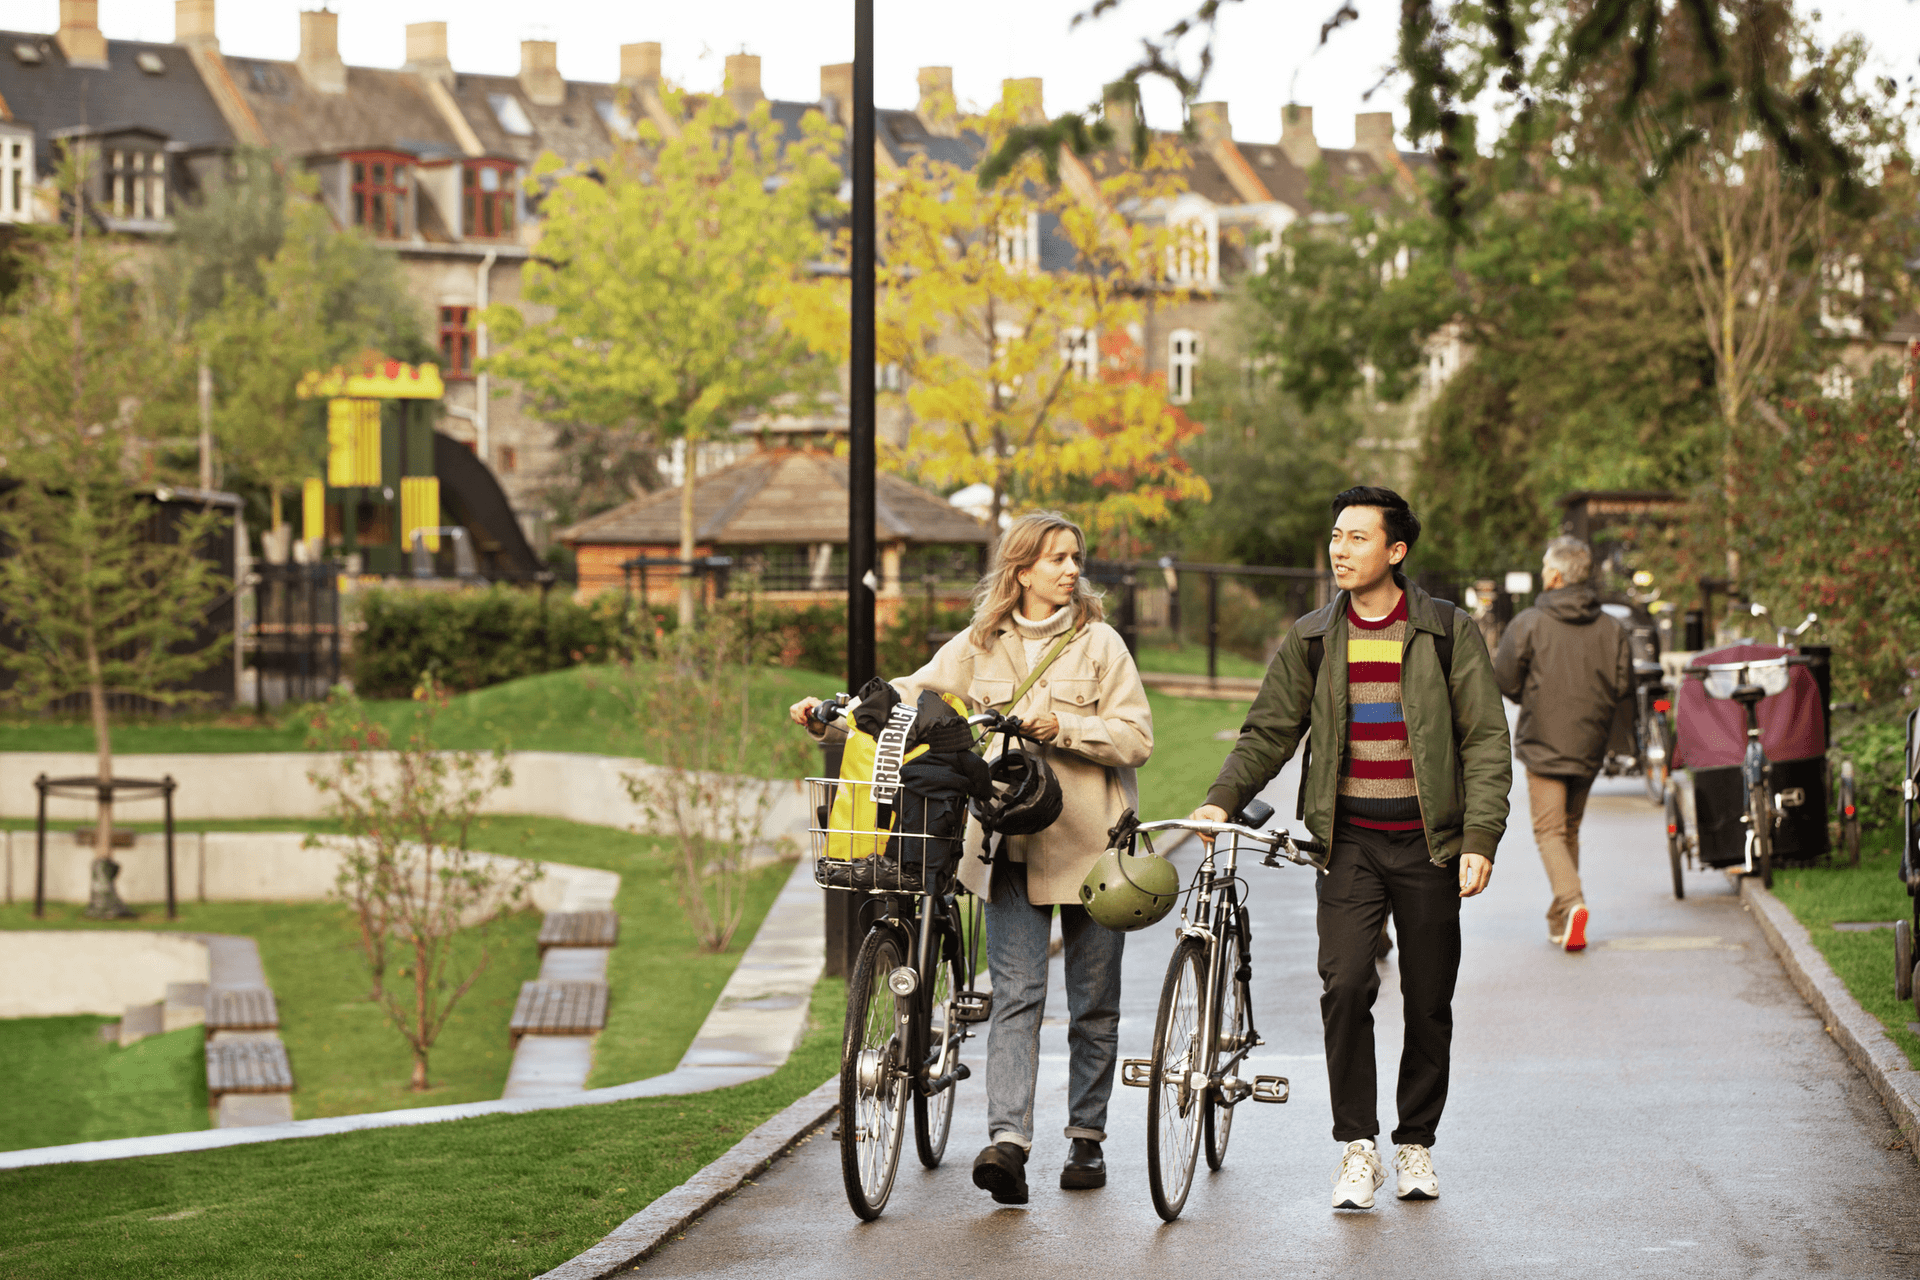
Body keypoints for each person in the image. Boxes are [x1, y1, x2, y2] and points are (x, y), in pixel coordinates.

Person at [790, 510, 1152, 1206]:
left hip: (1094, 850)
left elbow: (1136, 736)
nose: (1072, 569)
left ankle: (1086, 1139)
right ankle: (1008, 1144)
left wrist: (1064, 726)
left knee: (1093, 1003)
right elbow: (904, 696)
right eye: (1056, 559)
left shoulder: (1100, 644)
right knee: (1016, 996)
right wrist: (831, 714)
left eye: (1076, 557)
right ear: (1021, 569)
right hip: (1007, 844)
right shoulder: (980, 644)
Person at [1188, 486, 1510, 1211]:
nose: (1340, 549)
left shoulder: (1445, 632)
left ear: (1395, 551)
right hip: (1351, 844)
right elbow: (1269, 730)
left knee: (1428, 1000)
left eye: (1357, 538)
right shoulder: (1312, 637)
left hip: (1429, 846)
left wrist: (1480, 836)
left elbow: (1485, 737)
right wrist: (1222, 797)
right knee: (1345, 986)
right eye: (1336, 535)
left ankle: (1415, 1143)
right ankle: (1357, 1147)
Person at [1492, 535, 1632, 952]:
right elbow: (1624, 683)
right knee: (1568, 827)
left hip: (1544, 741)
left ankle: (1572, 902)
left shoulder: (1530, 623)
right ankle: (1561, 918)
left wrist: (1528, 697)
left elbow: (1504, 678)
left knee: (1549, 830)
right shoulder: (1612, 627)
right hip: (1592, 740)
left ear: (1554, 575)